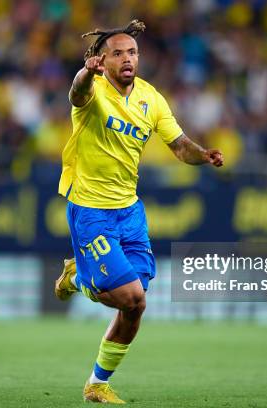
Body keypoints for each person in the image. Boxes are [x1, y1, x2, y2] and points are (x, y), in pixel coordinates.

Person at [54, 20, 224, 404]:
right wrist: (85, 73)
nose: (127, 59)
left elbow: (179, 146)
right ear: (102, 59)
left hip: (129, 210)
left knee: (136, 301)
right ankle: (79, 277)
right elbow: (76, 94)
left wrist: (204, 155)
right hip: (91, 209)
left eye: (132, 52)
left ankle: (96, 384)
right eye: (117, 53)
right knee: (131, 297)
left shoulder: (152, 99)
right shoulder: (94, 90)